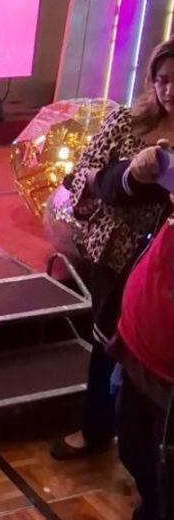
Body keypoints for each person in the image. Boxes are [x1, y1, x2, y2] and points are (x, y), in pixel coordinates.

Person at [54, 36, 174, 460]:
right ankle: (96, 428)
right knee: (106, 342)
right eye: (162, 79)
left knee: (150, 353)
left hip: (164, 264)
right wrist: (118, 179)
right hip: (116, 252)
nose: (169, 90)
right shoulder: (127, 121)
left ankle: (144, 440)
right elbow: (83, 175)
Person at [87, 97, 174, 519]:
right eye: (162, 79)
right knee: (137, 450)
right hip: (139, 341)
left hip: (167, 369)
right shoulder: (132, 122)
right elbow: (100, 180)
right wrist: (133, 173)